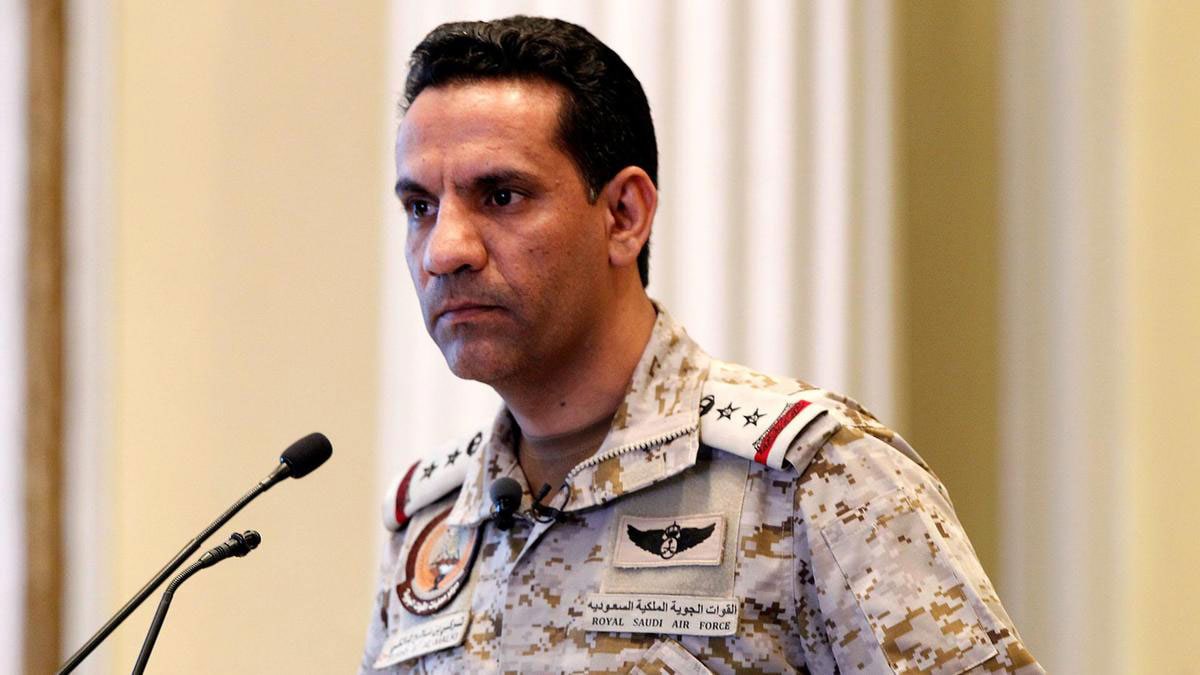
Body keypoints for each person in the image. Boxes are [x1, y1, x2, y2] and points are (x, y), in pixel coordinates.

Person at [361, 15, 1042, 674]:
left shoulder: (814, 478)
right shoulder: (433, 522)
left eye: (502, 196)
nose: (444, 250)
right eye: (420, 207)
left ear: (624, 215)